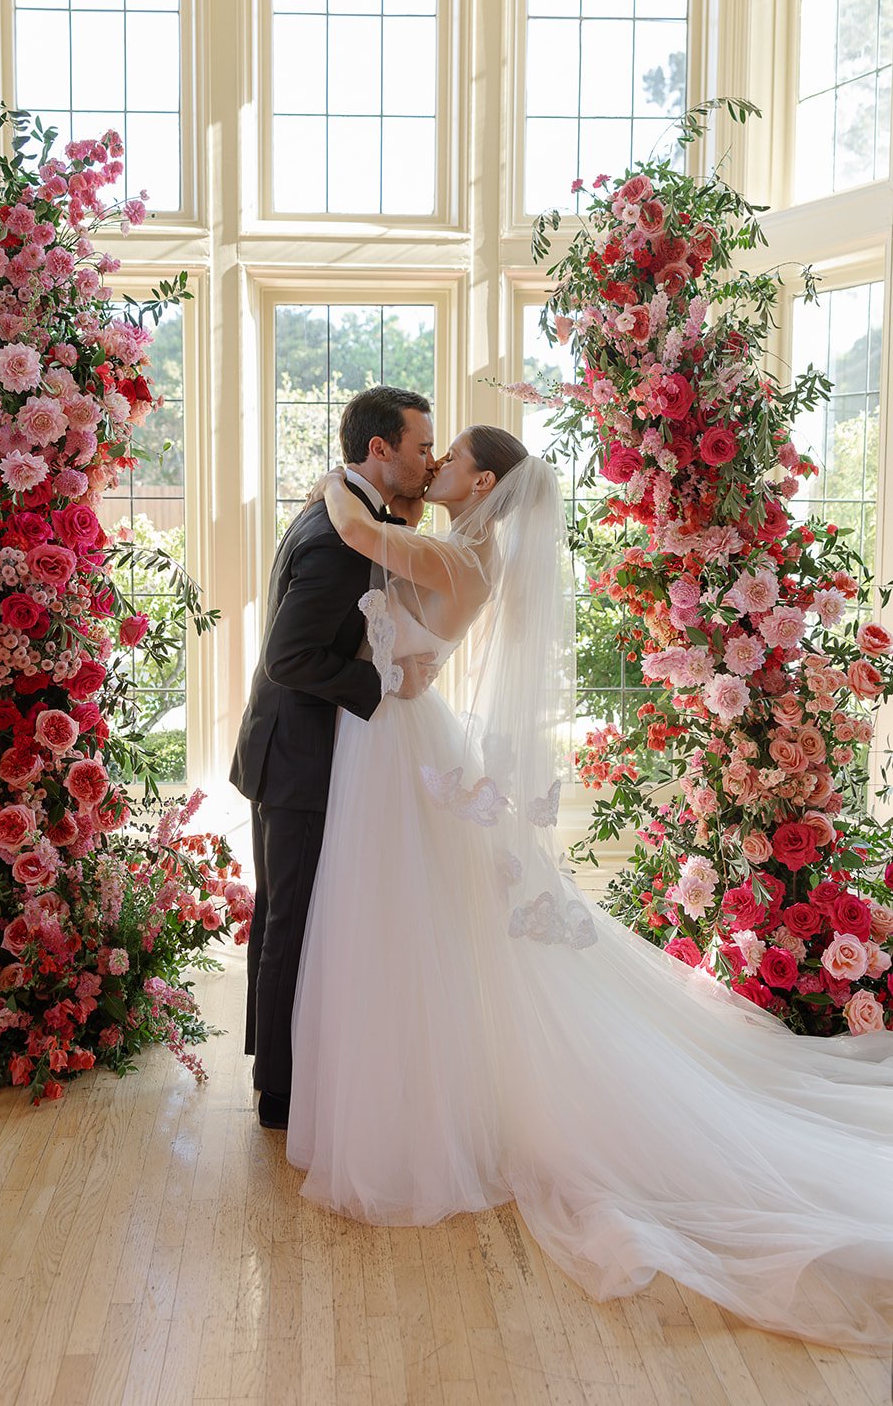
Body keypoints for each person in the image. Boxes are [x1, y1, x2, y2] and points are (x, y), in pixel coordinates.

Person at [286, 425, 893, 1348]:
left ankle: (418, 1110)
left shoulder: (455, 552)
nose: (434, 462)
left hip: (399, 743)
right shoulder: (461, 544)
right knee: (421, 925)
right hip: (392, 738)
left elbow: (360, 532)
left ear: (480, 480)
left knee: (409, 922)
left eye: (445, 457)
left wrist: (346, 482)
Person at [230, 385, 439, 1130]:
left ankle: (281, 1069)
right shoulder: (335, 539)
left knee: (288, 916)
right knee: (289, 918)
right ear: (379, 450)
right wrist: (382, 680)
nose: (429, 460)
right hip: (299, 757)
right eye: (419, 447)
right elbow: (289, 655)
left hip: (294, 748)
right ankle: (280, 1096)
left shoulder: (342, 513)